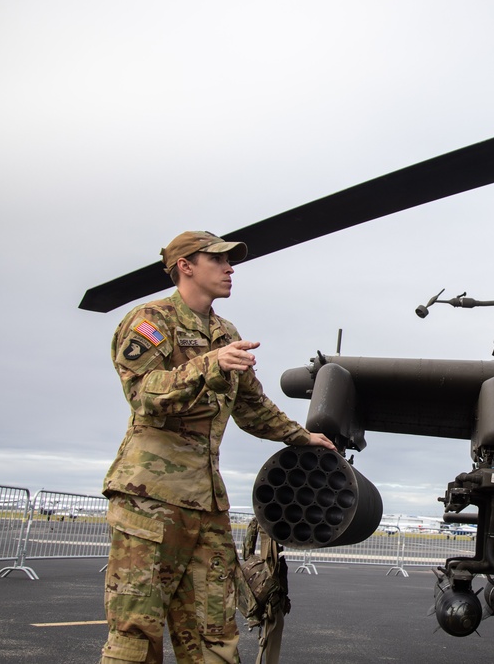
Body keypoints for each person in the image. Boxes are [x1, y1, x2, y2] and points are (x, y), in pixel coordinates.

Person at [100, 230, 335, 664]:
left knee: (215, 633)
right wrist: (209, 364)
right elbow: (144, 396)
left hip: (206, 505)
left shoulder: (226, 333)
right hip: (149, 503)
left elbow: (252, 406)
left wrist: (302, 438)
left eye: (231, 261)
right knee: (136, 635)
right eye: (218, 260)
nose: (230, 269)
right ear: (185, 266)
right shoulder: (150, 321)